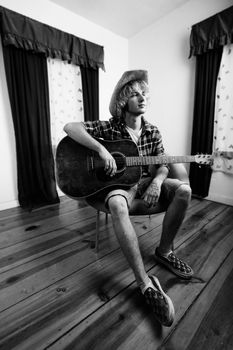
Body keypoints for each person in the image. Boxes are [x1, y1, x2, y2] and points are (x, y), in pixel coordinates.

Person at [64, 70, 193, 327]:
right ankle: (145, 283)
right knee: (115, 203)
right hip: (122, 186)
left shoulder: (153, 131)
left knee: (184, 189)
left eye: (144, 93)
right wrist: (101, 150)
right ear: (124, 100)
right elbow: (70, 127)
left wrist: (157, 181)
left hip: (146, 181)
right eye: (135, 93)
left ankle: (164, 252)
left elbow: (163, 163)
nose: (142, 97)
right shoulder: (111, 126)